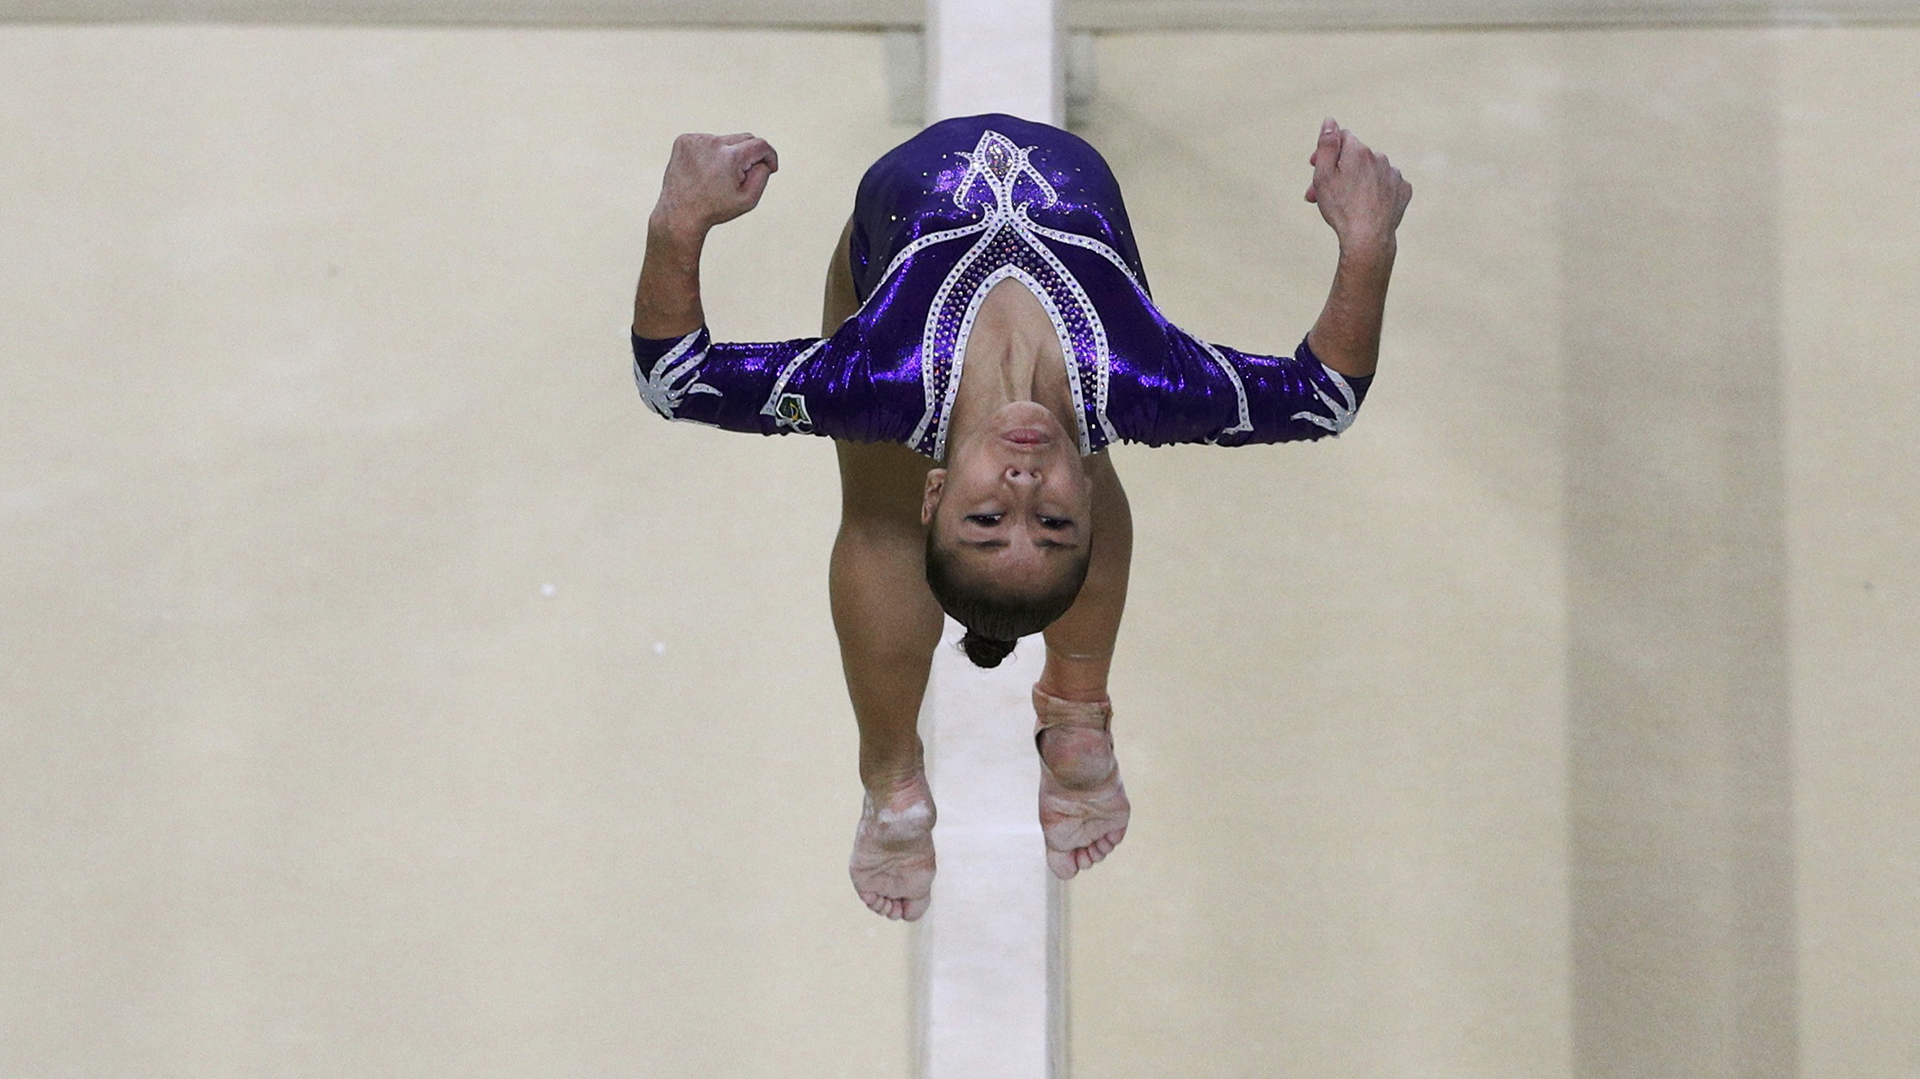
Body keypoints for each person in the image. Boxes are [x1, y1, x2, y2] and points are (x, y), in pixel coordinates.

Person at [630, 113, 1411, 921]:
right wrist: (1368, 242)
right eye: (1053, 521)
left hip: (883, 264)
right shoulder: (1143, 381)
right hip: (1090, 363)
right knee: (1084, 435)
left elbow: (673, 379)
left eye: (988, 516)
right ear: (1084, 518)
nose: (1025, 480)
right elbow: (1324, 397)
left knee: (877, 510)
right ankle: (1076, 714)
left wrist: (678, 219)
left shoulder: (877, 379)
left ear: (936, 492)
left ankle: (894, 787)